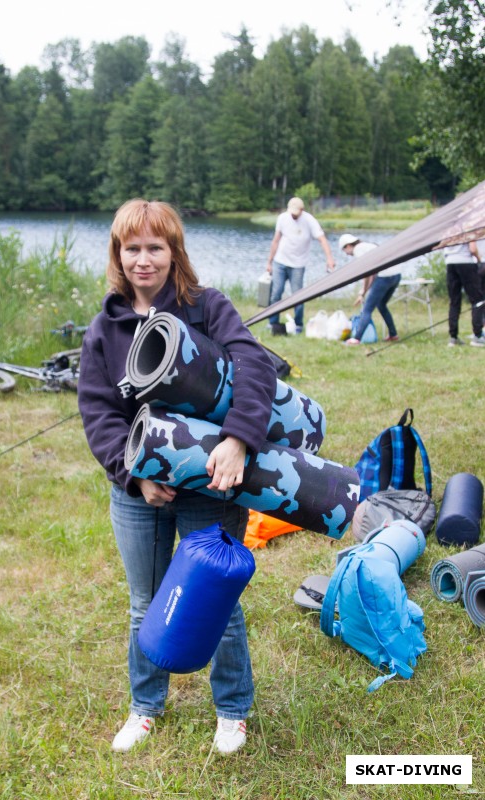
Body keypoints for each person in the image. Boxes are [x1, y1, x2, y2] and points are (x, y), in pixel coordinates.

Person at [78, 199, 276, 755]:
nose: (143, 260)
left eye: (155, 248)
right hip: (137, 492)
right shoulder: (105, 328)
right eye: (132, 248)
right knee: (145, 602)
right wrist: (133, 476)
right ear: (119, 254)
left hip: (212, 484)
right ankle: (144, 708)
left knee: (216, 597)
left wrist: (238, 438)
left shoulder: (207, 307)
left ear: (174, 252)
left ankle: (232, 711)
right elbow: (97, 411)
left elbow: (254, 365)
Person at [266, 196, 335, 335]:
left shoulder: (309, 220)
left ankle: (298, 324)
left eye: (296, 213)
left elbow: (322, 239)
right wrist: (269, 262)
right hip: (280, 261)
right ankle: (272, 322)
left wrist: (329, 258)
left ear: (302, 210)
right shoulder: (282, 218)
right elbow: (275, 241)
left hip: (298, 264)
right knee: (276, 293)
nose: (293, 215)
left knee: (298, 295)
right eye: (291, 213)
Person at [339, 234, 402, 345]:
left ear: (348, 246)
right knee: (381, 305)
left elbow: (367, 273)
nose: (347, 254)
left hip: (385, 276)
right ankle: (393, 334)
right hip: (396, 274)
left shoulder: (358, 250)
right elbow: (372, 274)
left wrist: (363, 292)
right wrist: (363, 292)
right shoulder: (367, 245)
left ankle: (356, 339)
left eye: (345, 250)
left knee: (367, 309)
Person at [442, 240, 485, 347]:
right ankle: (478, 335)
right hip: (466, 262)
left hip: (450, 262)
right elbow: (472, 248)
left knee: (454, 302)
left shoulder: (449, 230)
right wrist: (479, 260)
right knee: (478, 300)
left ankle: (453, 337)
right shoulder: (467, 225)